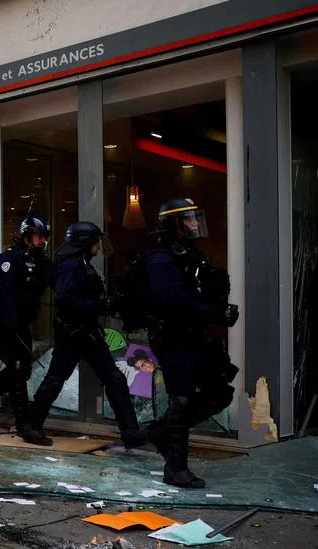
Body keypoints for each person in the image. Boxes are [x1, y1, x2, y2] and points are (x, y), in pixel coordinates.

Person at [144, 198, 239, 488]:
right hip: (173, 337)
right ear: (173, 223)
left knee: (219, 393)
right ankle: (176, 468)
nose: (195, 224)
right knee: (182, 399)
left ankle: (163, 432)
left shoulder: (189, 254)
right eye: (188, 219)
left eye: (195, 218)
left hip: (196, 335)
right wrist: (214, 314)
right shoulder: (160, 258)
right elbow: (174, 302)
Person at [26, 222, 147, 449]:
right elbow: (66, 300)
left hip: (87, 333)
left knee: (114, 379)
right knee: (55, 379)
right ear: (84, 243)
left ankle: (130, 433)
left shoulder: (82, 265)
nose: (98, 247)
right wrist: (100, 306)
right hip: (73, 334)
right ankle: (32, 426)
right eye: (95, 242)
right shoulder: (71, 267)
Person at [0, 214, 53, 444]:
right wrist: (10, 320)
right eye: (39, 235)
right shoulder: (10, 258)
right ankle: (24, 424)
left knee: (23, 370)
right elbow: (7, 293)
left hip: (22, 323)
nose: (42, 240)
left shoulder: (42, 261)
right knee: (17, 367)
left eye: (45, 236)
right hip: (4, 323)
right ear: (27, 236)